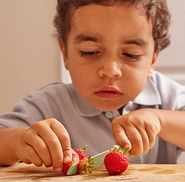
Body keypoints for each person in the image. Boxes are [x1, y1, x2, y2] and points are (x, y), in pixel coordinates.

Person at [0, 0, 185, 173]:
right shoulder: (48, 105)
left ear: (153, 59)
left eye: (131, 54)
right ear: (65, 54)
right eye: (90, 52)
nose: (110, 71)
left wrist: (161, 121)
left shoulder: (168, 96)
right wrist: (18, 142)